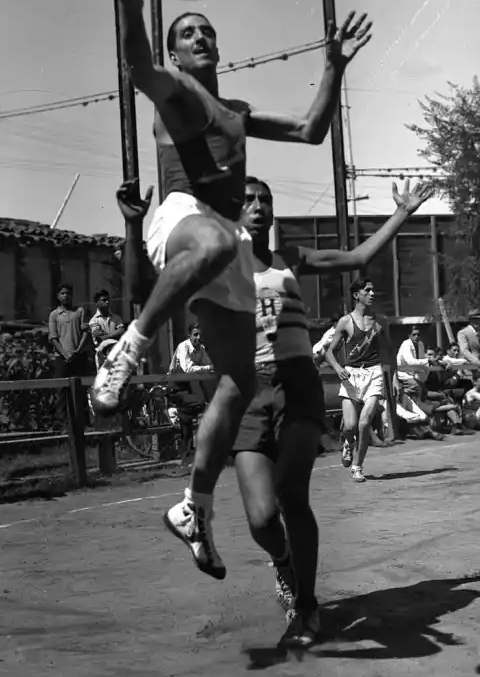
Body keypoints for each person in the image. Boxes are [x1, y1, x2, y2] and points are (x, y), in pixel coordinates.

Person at [93, 0, 373, 578]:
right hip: (184, 221)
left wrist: (332, 65)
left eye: (207, 31)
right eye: (188, 32)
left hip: (224, 252)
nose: (201, 38)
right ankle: (129, 347)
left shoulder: (238, 114)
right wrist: (132, 6)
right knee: (220, 242)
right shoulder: (174, 92)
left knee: (237, 384)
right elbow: (138, 65)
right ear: (177, 53)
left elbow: (310, 130)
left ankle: (194, 506)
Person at [119, 174, 433, 647]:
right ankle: (285, 565)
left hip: (297, 384)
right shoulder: (214, 265)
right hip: (247, 394)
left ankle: (306, 607)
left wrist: (403, 213)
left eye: (266, 199)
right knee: (262, 518)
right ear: (232, 213)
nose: (259, 206)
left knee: (292, 493)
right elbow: (144, 291)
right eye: (248, 200)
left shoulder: (291, 259)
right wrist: (132, 227)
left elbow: (357, 257)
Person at [325, 278, 396, 482]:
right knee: (350, 426)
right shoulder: (345, 322)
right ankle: (348, 443)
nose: (372, 294)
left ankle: (357, 466)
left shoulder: (380, 321)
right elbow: (330, 352)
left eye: (373, 290)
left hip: (374, 373)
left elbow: (389, 351)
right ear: (357, 295)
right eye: (368, 290)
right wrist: (338, 369)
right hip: (351, 376)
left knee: (364, 424)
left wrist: (394, 378)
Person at [168, 324, 214, 464]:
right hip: (174, 387)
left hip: (186, 388)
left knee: (189, 419)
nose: (198, 338)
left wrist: (215, 367)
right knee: (199, 404)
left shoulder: (201, 348)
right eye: (195, 335)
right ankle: (175, 411)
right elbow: (187, 368)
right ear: (189, 336)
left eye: (200, 335)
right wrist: (208, 367)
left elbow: (209, 365)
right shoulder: (183, 347)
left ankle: (187, 456)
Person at [48, 285, 90, 423]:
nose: (65, 296)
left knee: (80, 391)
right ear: (58, 296)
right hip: (62, 358)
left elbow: (85, 332)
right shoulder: (54, 314)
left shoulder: (79, 311)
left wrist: (77, 351)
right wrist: (65, 354)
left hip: (79, 357)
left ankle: (81, 423)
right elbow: (53, 338)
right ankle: (63, 424)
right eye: (62, 293)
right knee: (61, 391)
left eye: (68, 293)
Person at [89, 290, 126, 370]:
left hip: (118, 354)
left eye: (108, 299)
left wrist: (107, 336)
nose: (107, 302)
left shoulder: (116, 318)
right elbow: (99, 336)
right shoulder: (94, 321)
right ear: (97, 303)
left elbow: (121, 331)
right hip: (102, 356)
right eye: (103, 300)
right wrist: (115, 334)